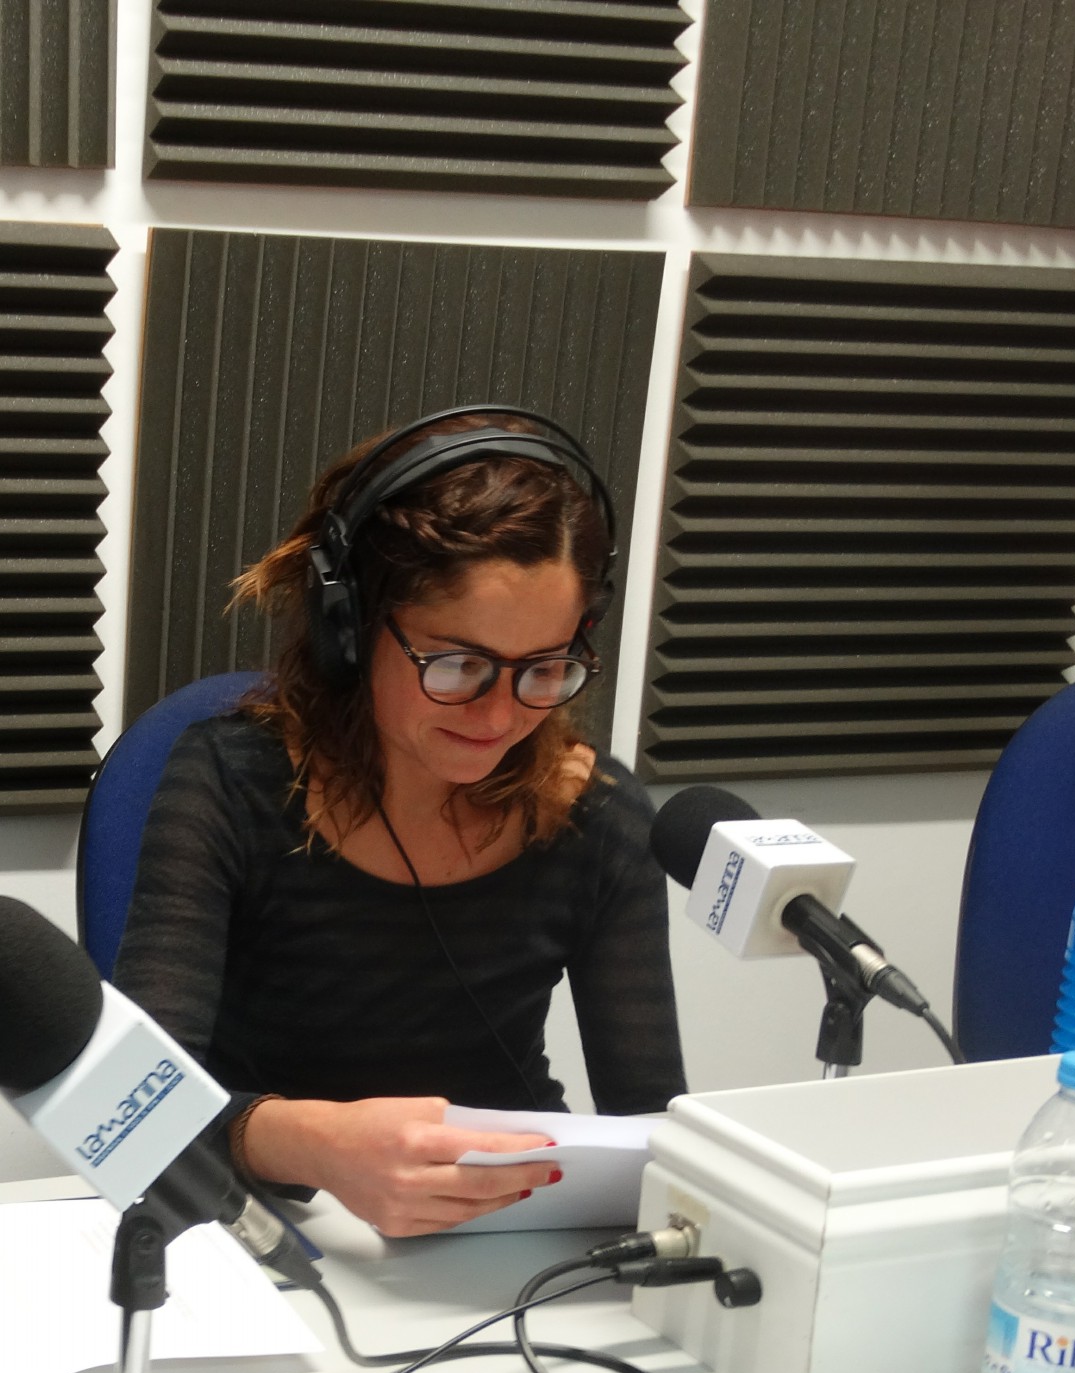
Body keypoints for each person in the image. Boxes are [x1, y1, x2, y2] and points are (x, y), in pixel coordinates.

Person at [112, 411, 685, 1240]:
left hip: (510, 1233)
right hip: (271, 1229)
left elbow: (654, 1129)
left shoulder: (596, 812)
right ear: (348, 627)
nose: (500, 715)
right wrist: (314, 1144)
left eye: (544, 667)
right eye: (459, 664)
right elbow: (135, 1114)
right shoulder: (228, 784)